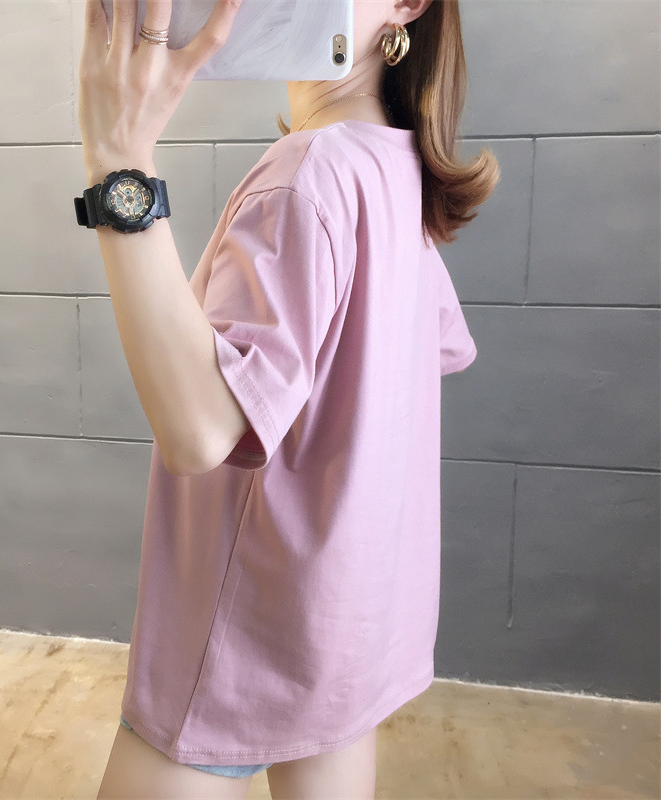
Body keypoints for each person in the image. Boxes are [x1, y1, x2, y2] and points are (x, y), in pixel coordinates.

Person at [77, 0, 500, 797]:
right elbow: (422, 355)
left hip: (245, 636)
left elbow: (200, 430)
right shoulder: (395, 169)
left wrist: (117, 163)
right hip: (348, 631)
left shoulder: (310, 174)